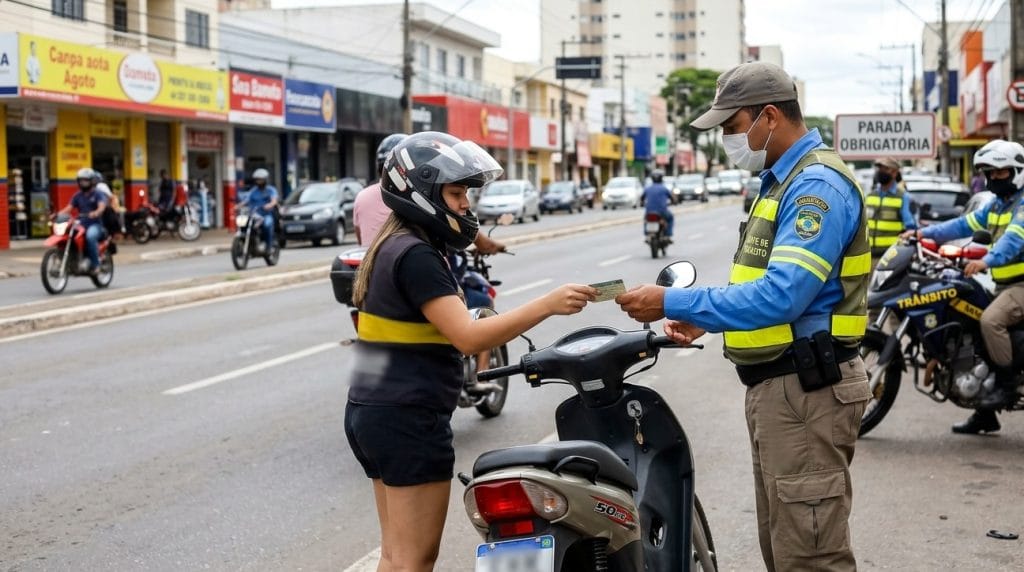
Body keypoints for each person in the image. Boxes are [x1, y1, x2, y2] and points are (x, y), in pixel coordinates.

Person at [615, 62, 872, 572]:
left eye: (733, 128)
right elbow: (760, 285)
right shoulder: (780, 183)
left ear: (770, 117)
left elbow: (783, 295)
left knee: (810, 557)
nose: (729, 142)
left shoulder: (815, 186)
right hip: (784, 391)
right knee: (785, 549)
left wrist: (673, 303)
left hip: (808, 391)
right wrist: (708, 319)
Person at [345, 132, 597, 572]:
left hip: (372, 411)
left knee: (393, 556)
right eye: (456, 193)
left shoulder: (391, 244)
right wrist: (549, 304)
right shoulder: (417, 255)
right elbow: (468, 338)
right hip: (408, 419)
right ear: (420, 192)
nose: (465, 204)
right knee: (415, 560)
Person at [902, 139, 1024, 434]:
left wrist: (987, 260)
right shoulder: (996, 204)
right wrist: (921, 233)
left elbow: (1014, 240)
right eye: (989, 173)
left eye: (1000, 173)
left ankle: (1007, 386)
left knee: (990, 320)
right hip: (1003, 285)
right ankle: (985, 414)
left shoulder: (1021, 206)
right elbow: (960, 225)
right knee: (968, 318)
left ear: (1018, 171)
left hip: (1020, 285)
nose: (994, 179)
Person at [53, 168, 108, 274]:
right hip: (81, 224)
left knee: (90, 237)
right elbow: (68, 208)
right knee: (68, 235)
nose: (83, 183)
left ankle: (96, 265)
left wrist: (96, 212)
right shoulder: (77, 195)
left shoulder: (98, 194)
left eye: (85, 180)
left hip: (95, 224)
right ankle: (70, 261)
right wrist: (57, 215)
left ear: (92, 181)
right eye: (81, 180)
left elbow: (102, 206)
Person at [867, 157, 917, 263]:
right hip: (868, 256)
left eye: (885, 169)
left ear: (894, 173)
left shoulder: (903, 197)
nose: (881, 172)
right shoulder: (870, 195)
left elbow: (911, 229)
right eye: (879, 168)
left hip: (890, 257)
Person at [241, 168, 278, 251]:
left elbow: (274, 201)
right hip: (254, 215)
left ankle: (268, 246)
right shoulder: (253, 191)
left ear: (265, 180)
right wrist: (238, 206)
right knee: (243, 224)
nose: (259, 182)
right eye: (257, 180)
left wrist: (269, 205)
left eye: (261, 180)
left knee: (267, 225)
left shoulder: (271, 190)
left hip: (266, 215)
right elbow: (246, 200)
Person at [640, 169, 675, 240]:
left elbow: (642, 198)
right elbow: (672, 198)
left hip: (649, 211)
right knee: (670, 218)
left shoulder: (648, 188)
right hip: (662, 212)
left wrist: (642, 203)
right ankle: (668, 234)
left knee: (646, 219)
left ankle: (646, 233)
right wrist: (674, 202)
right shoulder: (664, 188)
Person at [92, 171, 125, 238]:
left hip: (104, 209)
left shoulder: (101, 186)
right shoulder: (89, 189)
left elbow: (110, 197)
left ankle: (116, 233)